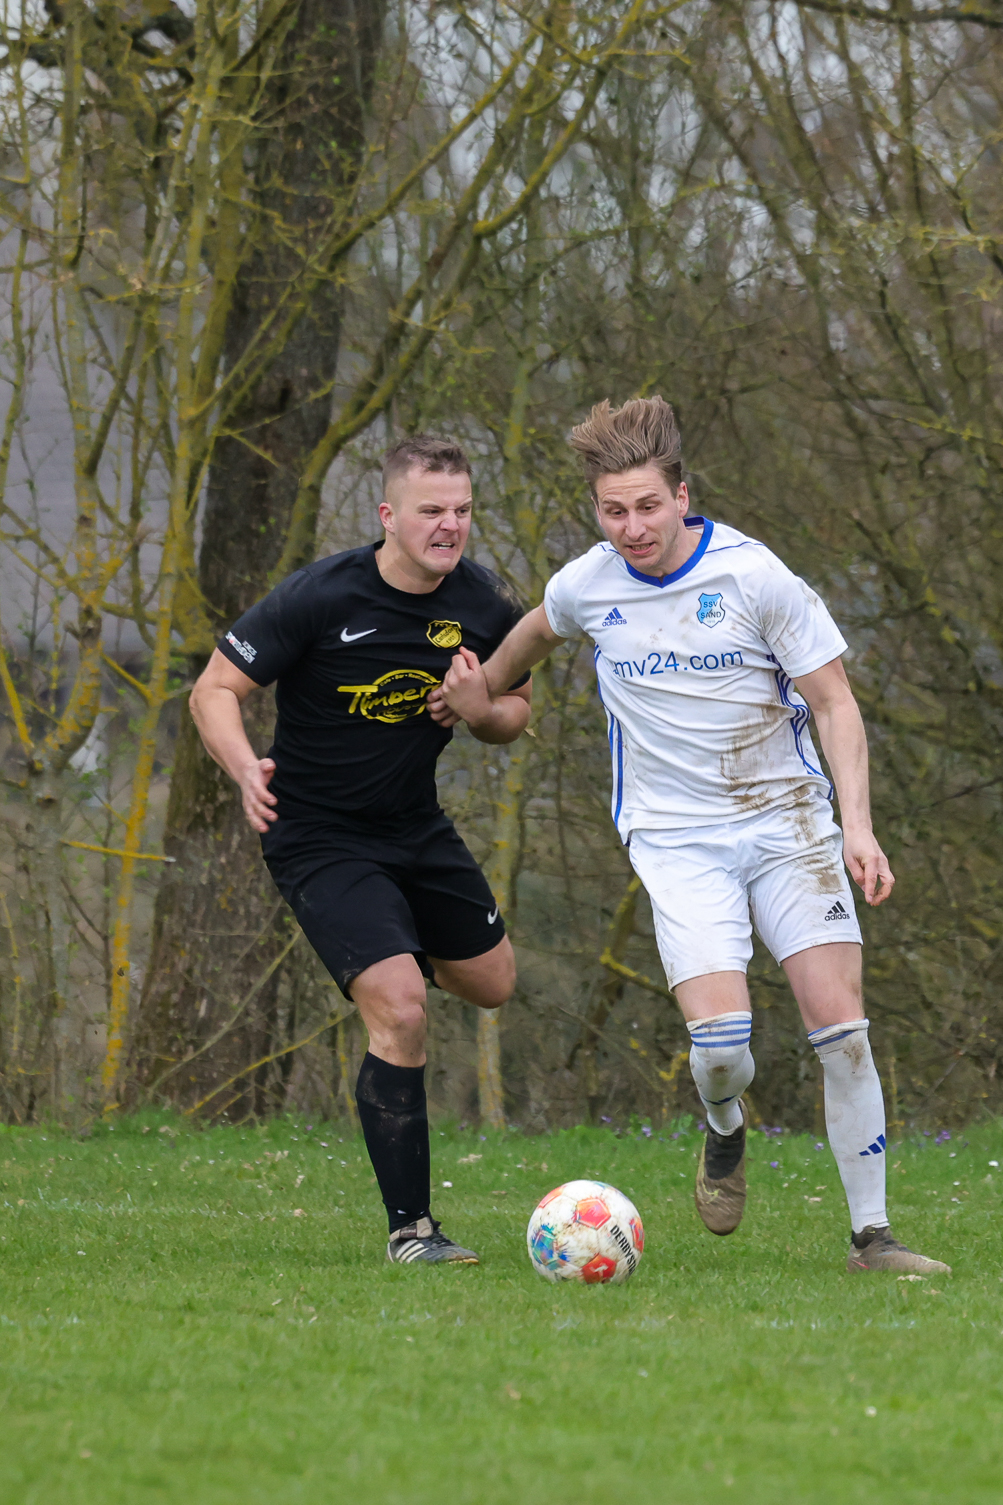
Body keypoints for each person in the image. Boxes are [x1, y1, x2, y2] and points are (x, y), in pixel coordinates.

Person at [441, 396, 948, 1276]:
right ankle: (723, 1123)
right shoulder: (586, 586)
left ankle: (872, 1237)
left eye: (647, 505)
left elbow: (834, 703)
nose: (632, 527)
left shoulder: (755, 578)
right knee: (718, 1051)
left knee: (842, 1030)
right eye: (613, 511)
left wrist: (857, 828)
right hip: (675, 841)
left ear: (681, 496)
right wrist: (475, 693)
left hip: (788, 825)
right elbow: (523, 647)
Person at [189, 434, 531, 1266]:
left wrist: (478, 707)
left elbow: (514, 712)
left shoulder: (487, 604)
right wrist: (244, 767)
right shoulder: (320, 595)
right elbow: (213, 689)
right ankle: (411, 1229)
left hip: (414, 825)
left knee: (493, 983)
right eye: (430, 510)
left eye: (462, 510)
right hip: (316, 834)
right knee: (401, 1007)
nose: (449, 526)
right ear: (387, 515)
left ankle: (393, 950)